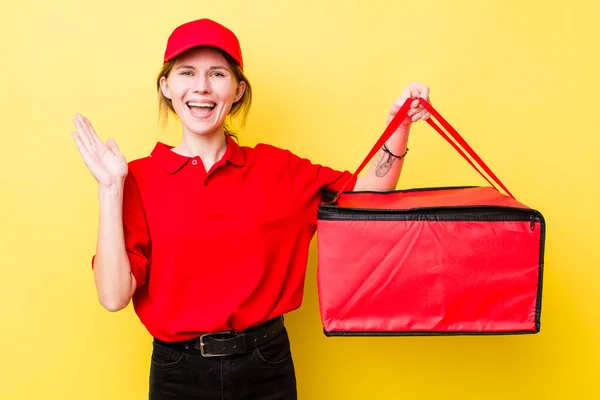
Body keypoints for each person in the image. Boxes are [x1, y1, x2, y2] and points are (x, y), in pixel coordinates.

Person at [71, 18, 431, 400]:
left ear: (238, 89)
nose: (202, 87)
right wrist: (111, 189)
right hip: (178, 373)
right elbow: (113, 297)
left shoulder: (278, 170)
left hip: (266, 365)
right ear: (166, 86)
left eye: (218, 74)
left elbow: (369, 195)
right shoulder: (138, 179)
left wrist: (400, 124)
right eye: (187, 72)